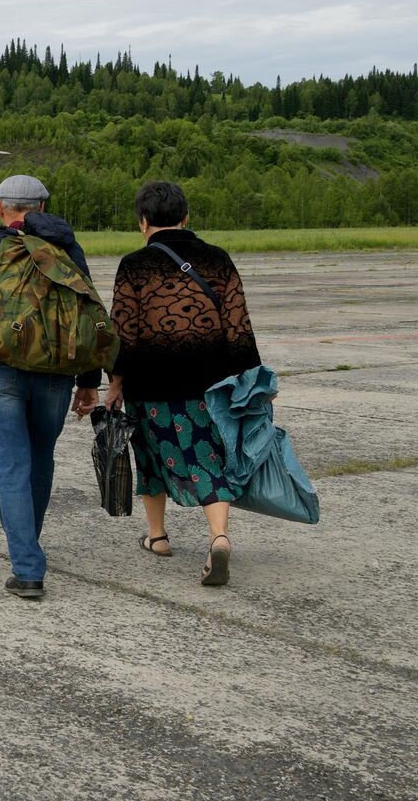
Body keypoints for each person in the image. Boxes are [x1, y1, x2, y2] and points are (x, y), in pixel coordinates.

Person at [0, 174, 101, 599]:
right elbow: (87, 312)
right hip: (58, 372)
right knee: (40, 457)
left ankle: (27, 566)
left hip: (1, 369)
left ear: (0, 208)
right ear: (43, 207)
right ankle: (29, 542)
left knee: (12, 464)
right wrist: (89, 380)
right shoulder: (67, 245)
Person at [105, 180, 261, 586]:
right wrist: (249, 381)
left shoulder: (134, 266)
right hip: (210, 386)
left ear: (142, 222)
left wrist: (115, 383)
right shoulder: (218, 259)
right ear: (186, 217)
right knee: (206, 457)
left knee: (150, 457)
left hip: (150, 384)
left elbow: (123, 333)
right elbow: (239, 326)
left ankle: (158, 537)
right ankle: (218, 536)